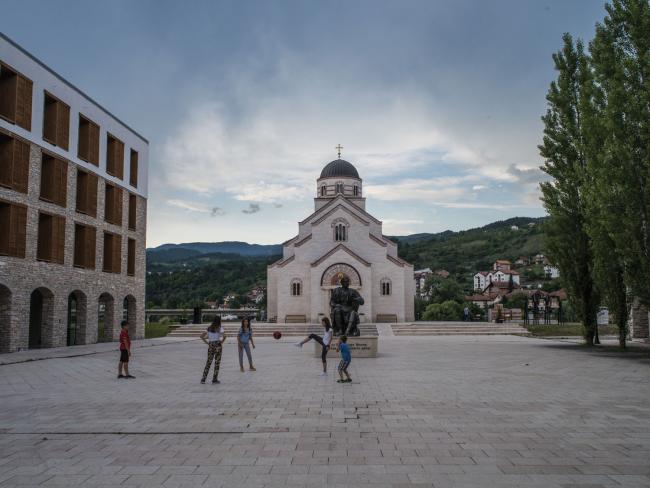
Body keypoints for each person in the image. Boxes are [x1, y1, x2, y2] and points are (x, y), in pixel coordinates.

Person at [200, 316, 226, 384]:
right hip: (218, 345)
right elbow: (225, 336)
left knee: (208, 362)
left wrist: (207, 343)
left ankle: (203, 379)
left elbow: (201, 336)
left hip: (211, 345)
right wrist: (222, 342)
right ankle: (214, 379)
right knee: (217, 363)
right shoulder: (219, 328)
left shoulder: (209, 328)